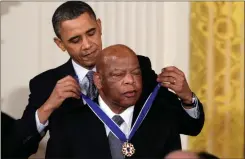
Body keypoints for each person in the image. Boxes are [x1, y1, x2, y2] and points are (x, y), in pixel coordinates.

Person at [6, 1, 204, 158]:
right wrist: (48, 107)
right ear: (60, 44)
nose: (87, 45)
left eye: (91, 33)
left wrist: (187, 97)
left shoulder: (138, 67)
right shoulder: (47, 83)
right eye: (75, 40)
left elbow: (190, 126)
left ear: (99, 26)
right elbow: (15, 149)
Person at [47, 44, 183, 158]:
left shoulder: (163, 121)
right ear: (98, 81)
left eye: (136, 73)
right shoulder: (67, 124)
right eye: (118, 74)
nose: (130, 80)